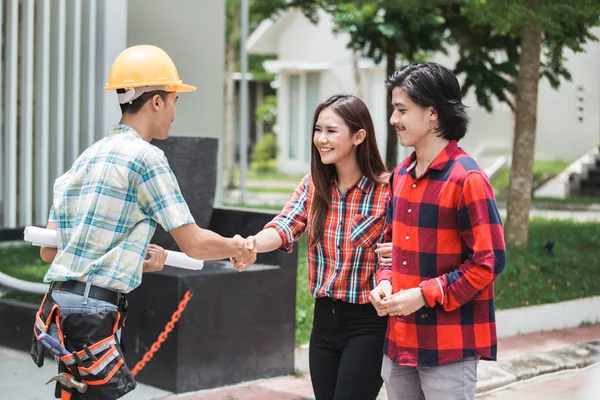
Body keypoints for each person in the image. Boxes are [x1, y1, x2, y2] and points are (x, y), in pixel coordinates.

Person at [31, 45, 256, 400]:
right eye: (173, 100)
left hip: (62, 307)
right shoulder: (146, 158)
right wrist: (237, 247)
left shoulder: (87, 157)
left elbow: (49, 251)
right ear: (155, 102)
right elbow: (194, 243)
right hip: (94, 313)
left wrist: (134, 259)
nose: (174, 112)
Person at [232, 94, 390, 400]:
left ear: (359, 136)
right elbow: (283, 226)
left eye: (332, 131)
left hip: (368, 323)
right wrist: (251, 245)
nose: (321, 139)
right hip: (324, 322)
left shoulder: (387, 191)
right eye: (318, 130)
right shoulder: (314, 186)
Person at [369, 62, 507, 400]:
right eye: (393, 109)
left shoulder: (467, 178)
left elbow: (488, 262)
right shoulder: (400, 174)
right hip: (399, 343)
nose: (393, 119)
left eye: (401, 109)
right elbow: (387, 248)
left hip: (449, 346)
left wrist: (425, 293)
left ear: (432, 113)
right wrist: (384, 280)